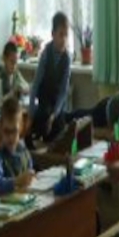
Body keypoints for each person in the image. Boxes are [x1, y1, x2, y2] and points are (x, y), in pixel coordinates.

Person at [65, 68, 119, 135]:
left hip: (110, 104)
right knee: (86, 117)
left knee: (86, 114)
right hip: (104, 111)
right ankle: (65, 116)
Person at [28, 11, 71, 146]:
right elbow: (36, 84)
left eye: (66, 35)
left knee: (60, 128)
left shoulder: (67, 58)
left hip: (56, 103)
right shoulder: (46, 54)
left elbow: (63, 91)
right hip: (44, 100)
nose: (64, 39)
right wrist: (30, 114)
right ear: (53, 34)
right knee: (44, 119)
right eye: (60, 35)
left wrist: (55, 114)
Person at [0, 95, 35, 196]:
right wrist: (17, 181)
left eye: (14, 131)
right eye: (6, 131)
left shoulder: (24, 152)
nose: (10, 137)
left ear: (21, 127)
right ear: (0, 127)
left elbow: (30, 171)